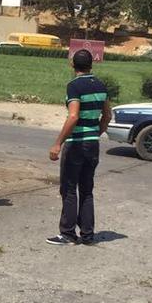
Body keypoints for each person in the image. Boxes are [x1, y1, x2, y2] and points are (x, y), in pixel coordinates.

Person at [46, 49, 112, 246]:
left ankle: (67, 233)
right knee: (87, 189)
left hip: (76, 144)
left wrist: (58, 143)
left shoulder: (74, 86)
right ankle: (87, 234)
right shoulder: (101, 85)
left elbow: (73, 116)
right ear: (92, 65)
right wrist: (96, 133)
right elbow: (107, 115)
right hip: (92, 144)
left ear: (72, 65)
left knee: (68, 188)